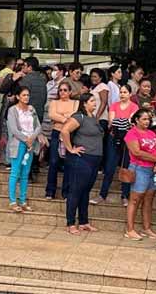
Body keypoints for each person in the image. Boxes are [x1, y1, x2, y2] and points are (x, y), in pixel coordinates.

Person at [61, 93, 103, 234]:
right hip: (82, 159)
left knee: (85, 191)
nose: (94, 103)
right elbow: (65, 130)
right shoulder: (80, 117)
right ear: (84, 103)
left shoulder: (93, 118)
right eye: (92, 101)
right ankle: (71, 223)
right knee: (76, 191)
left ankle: (84, 222)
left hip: (94, 159)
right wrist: (70, 149)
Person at [123, 109, 156, 241]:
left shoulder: (152, 133)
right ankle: (130, 229)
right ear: (136, 120)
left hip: (152, 170)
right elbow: (136, 152)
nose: (147, 121)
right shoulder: (131, 133)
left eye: (148, 119)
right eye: (144, 119)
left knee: (149, 200)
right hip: (139, 168)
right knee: (135, 199)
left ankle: (146, 228)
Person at [7, 86, 41, 213]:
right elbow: (13, 129)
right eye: (24, 95)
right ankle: (12, 201)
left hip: (30, 143)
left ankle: (23, 200)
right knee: (15, 172)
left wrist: (32, 138)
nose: (26, 97)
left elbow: (38, 126)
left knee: (25, 173)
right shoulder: (13, 110)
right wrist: (26, 139)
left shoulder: (32, 109)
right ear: (18, 96)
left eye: (28, 95)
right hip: (19, 143)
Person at [45, 81, 78, 200]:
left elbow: (74, 116)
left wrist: (60, 116)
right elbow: (51, 115)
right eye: (60, 90)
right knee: (53, 161)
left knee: (69, 163)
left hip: (70, 134)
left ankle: (66, 192)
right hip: (56, 132)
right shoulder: (54, 102)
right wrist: (65, 118)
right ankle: (50, 191)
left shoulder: (76, 102)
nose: (62, 92)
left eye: (65, 90)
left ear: (70, 92)